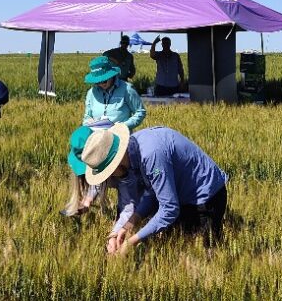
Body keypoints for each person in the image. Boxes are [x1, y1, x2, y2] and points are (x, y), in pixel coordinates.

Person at [74, 123, 228, 256]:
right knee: (175, 251)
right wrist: (127, 226)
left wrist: (132, 242)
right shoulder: (134, 152)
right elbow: (153, 193)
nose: (112, 178)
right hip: (182, 196)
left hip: (206, 197)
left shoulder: (151, 155)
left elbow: (169, 209)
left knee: (202, 257)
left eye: (109, 173)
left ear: (117, 162)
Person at [63, 125, 140, 255]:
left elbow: (128, 205)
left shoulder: (121, 167)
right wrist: (88, 200)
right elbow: (98, 179)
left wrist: (114, 234)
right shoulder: (104, 160)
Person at [83, 56, 146, 131]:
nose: (101, 84)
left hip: (121, 136)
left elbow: (140, 112)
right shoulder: (91, 93)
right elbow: (87, 116)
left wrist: (122, 127)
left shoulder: (127, 89)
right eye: (97, 82)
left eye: (104, 81)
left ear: (111, 76)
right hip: (97, 138)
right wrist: (88, 127)